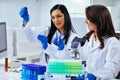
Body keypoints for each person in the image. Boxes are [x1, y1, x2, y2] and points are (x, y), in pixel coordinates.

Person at [78, 5, 120, 80]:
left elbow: (112, 69)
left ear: (97, 20)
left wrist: (95, 75)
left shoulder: (112, 42)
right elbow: (83, 57)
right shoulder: (91, 38)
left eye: (88, 19)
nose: (85, 21)